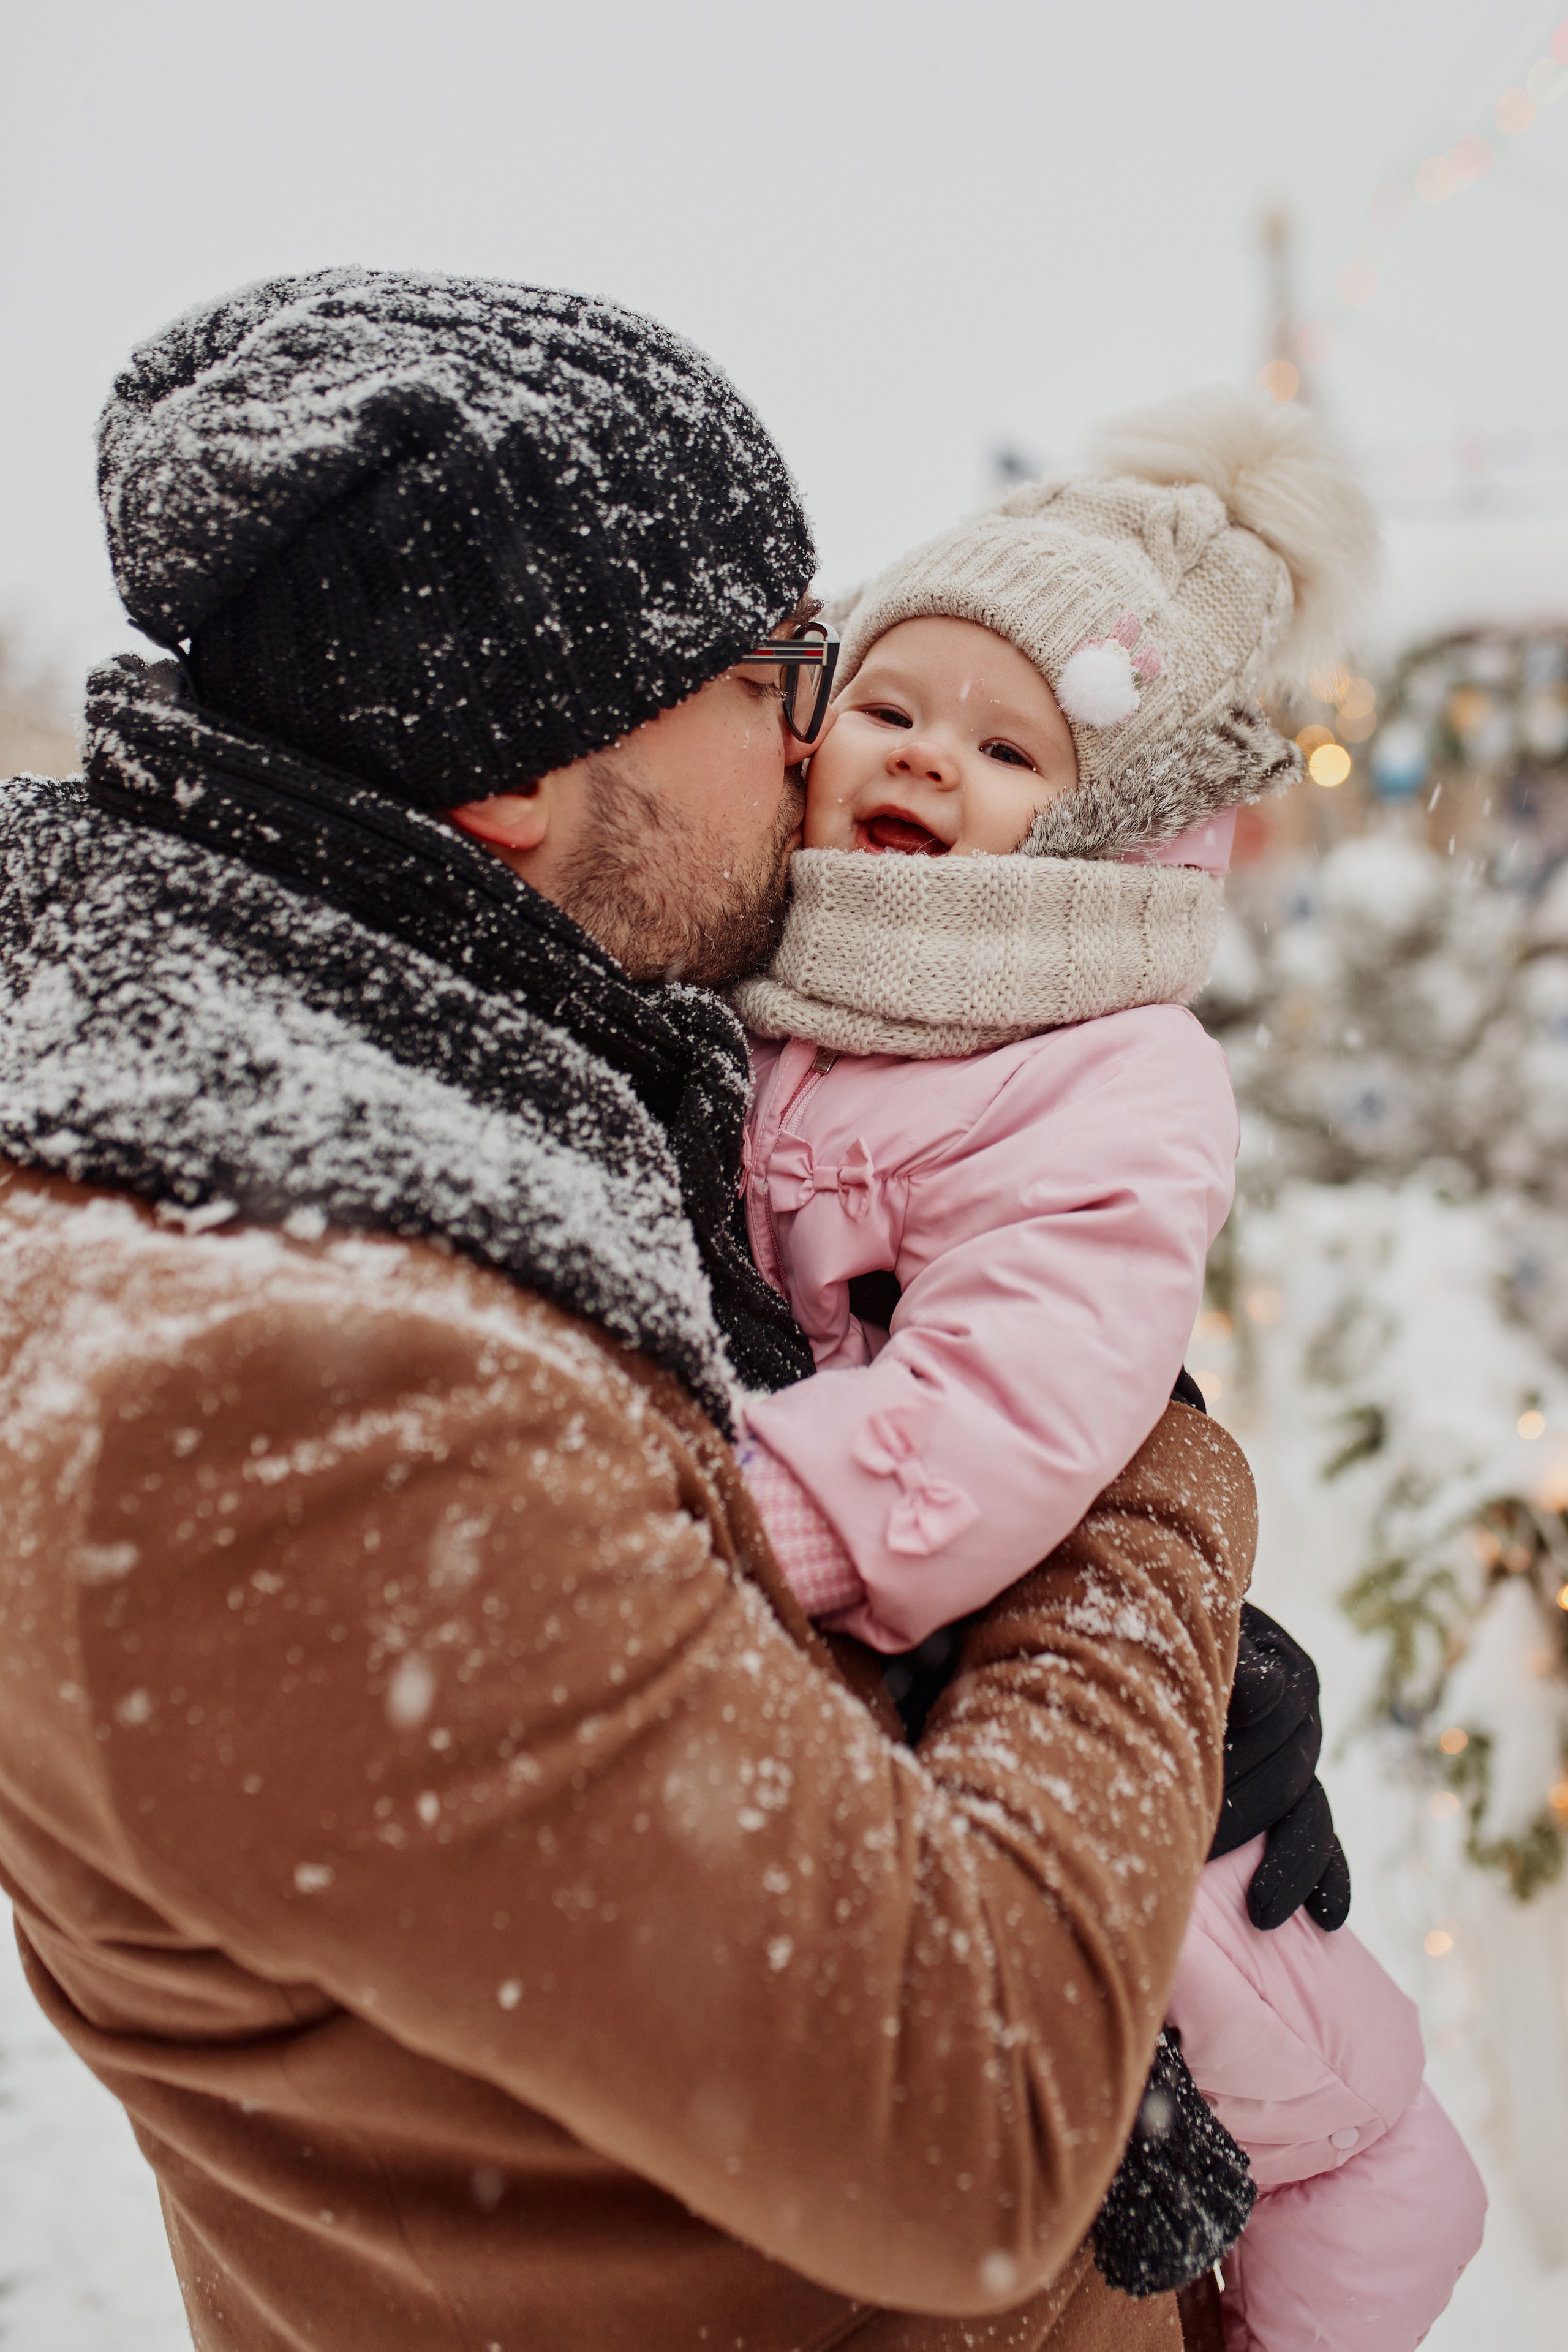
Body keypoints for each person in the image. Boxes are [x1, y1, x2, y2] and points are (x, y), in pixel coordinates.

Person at [1, 268, 1295, 2352]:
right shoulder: (269, 1396)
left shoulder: (435, 1083)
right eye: (780, 670)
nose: (823, 741)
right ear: (516, 781)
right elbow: (976, 2114)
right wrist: (1142, 1509)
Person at [727, 390, 1487, 2351]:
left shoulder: (1107, 1063)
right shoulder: (781, 991)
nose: (927, 761)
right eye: (894, 709)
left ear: (1074, 817)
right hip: (936, 1678)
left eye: (1003, 748)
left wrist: (734, 1519)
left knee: (1328, 2112)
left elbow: (1016, 1401)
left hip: (1109, 1691)